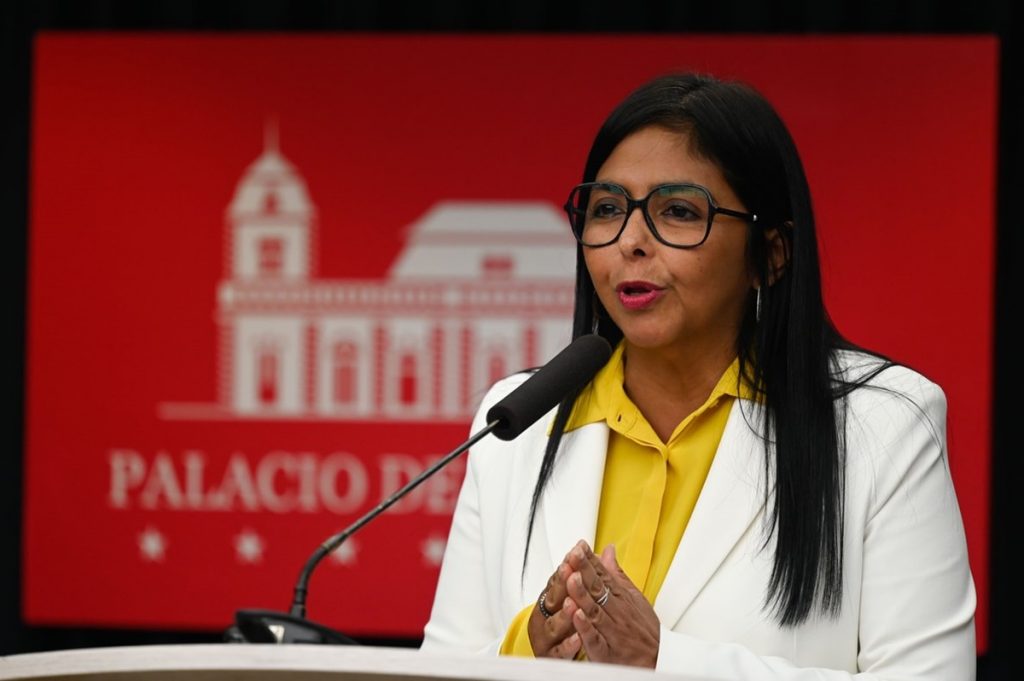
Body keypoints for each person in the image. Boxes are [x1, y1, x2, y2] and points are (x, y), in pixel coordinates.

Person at [420, 73, 975, 679]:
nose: (631, 242)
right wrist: (527, 648)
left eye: (679, 212)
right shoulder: (517, 419)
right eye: (607, 209)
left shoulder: (884, 425)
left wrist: (665, 660)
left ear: (771, 253)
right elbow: (441, 668)